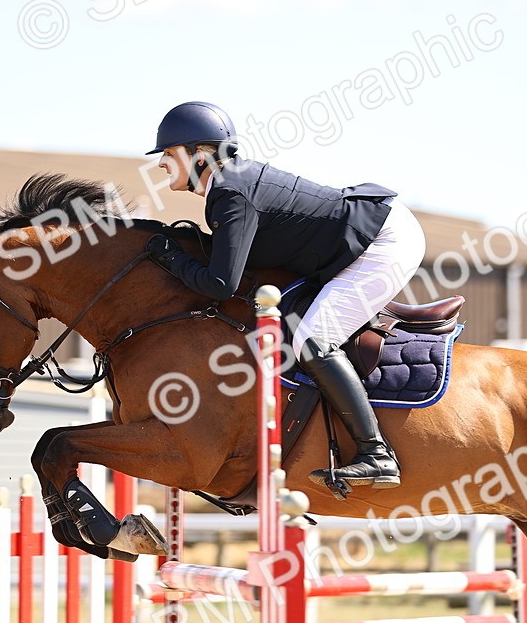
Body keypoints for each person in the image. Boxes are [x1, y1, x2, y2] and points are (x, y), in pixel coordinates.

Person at [145, 101, 426, 489]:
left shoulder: (230, 193)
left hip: (384, 242)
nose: (161, 163)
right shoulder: (229, 185)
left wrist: (170, 258)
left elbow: (221, 284)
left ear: (200, 155)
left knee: (312, 340)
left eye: (169, 153)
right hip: (370, 233)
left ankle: (376, 455)